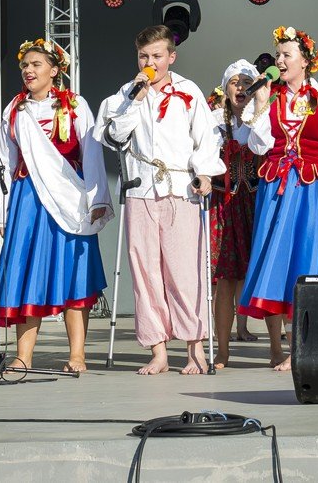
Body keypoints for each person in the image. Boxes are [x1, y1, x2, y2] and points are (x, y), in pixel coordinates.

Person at [98, 25, 224, 376]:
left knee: (184, 271)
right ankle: (158, 350)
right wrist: (135, 100)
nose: (150, 62)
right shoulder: (126, 94)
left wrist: (204, 173)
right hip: (141, 189)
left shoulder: (188, 91)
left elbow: (207, 138)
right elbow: (113, 136)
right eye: (143, 56)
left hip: (180, 188)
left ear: (171, 57)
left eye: (156, 56)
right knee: (145, 271)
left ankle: (194, 348)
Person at [239, 25, 318, 371]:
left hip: (314, 193)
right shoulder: (272, 98)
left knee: (309, 264)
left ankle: (303, 348)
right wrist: (260, 103)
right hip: (277, 192)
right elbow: (258, 146)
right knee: (276, 265)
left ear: (306, 61)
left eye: (286, 55)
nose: (279, 60)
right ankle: (280, 348)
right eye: (278, 55)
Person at [0, 39, 109, 373]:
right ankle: (23, 355)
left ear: (54, 71)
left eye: (36, 64)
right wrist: (2, 206)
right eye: (24, 65)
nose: (28, 70)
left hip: (68, 197)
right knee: (27, 272)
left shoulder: (75, 105)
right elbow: (4, 160)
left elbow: (92, 152)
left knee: (72, 273)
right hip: (28, 199)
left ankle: (77, 355)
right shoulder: (16, 109)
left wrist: (97, 197)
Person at [210, 59, 260, 369]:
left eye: (246, 82)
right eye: (234, 82)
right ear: (225, 88)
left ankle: (278, 348)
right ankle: (223, 350)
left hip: (255, 204)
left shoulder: (262, 118)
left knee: (260, 272)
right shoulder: (214, 120)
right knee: (225, 279)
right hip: (223, 206)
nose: (240, 87)